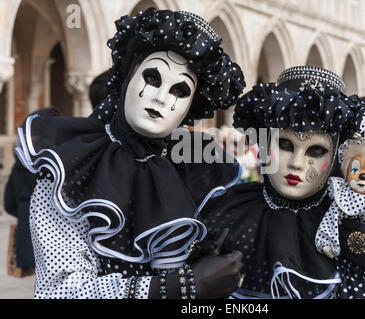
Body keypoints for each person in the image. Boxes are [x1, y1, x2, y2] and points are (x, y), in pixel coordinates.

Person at [16, 8, 246, 299]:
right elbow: (60, 292)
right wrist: (180, 287)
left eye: (180, 91)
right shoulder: (72, 169)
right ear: (128, 76)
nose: (161, 98)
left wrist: (197, 261)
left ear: (190, 111)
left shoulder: (191, 171)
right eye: (152, 77)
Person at [198, 66, 365, 299]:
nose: (297, 163)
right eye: (285, 145)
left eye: (315, 151)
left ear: (336, 156)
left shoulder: (361, 218)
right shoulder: (225, 210)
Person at [4, 107, 60, 273]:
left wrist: (26, 213)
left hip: (29, 241)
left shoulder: (21, 162)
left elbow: (9, 204)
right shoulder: (62, 161)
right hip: (60, 242)